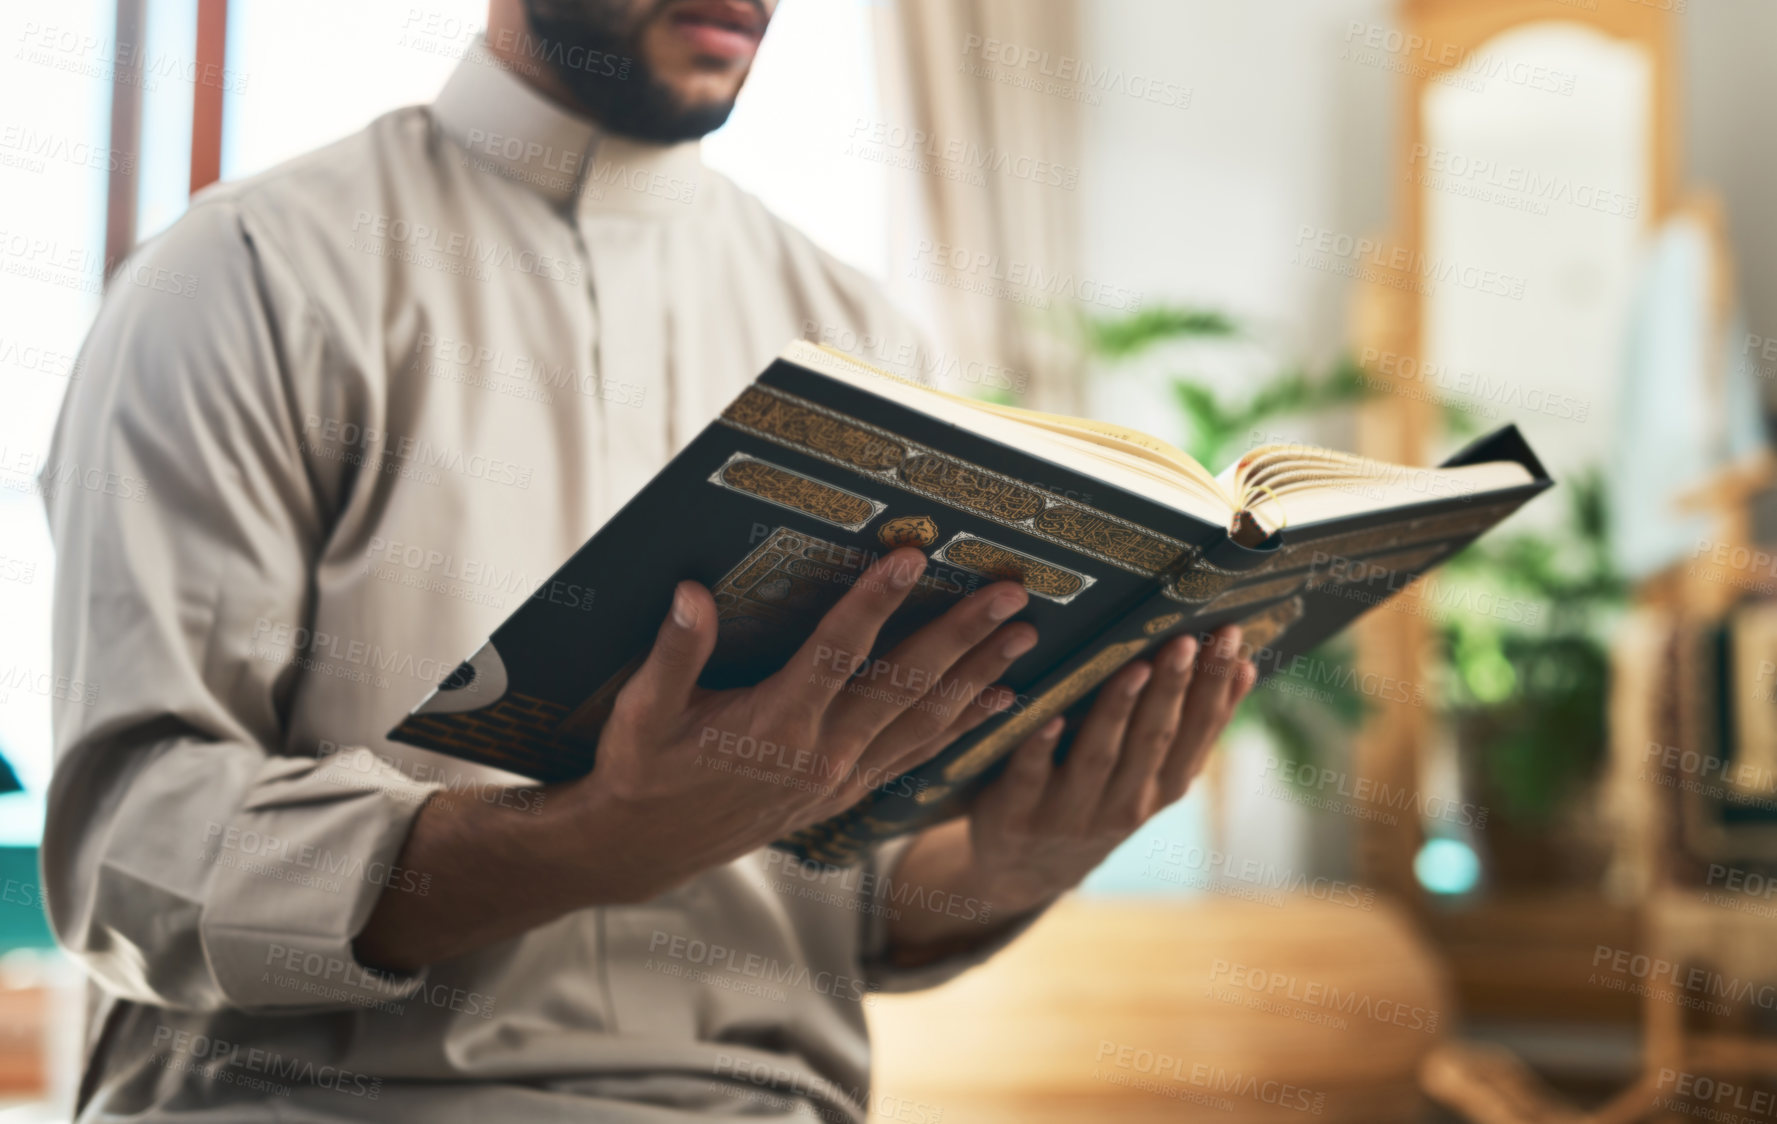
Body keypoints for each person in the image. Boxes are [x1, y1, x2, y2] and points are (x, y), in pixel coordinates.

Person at [40, 0, 1258, 1119]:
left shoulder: (860, 334)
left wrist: (1008, 863)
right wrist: (586, 840)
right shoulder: (248, 274)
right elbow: (127, 858)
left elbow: (849, 893)